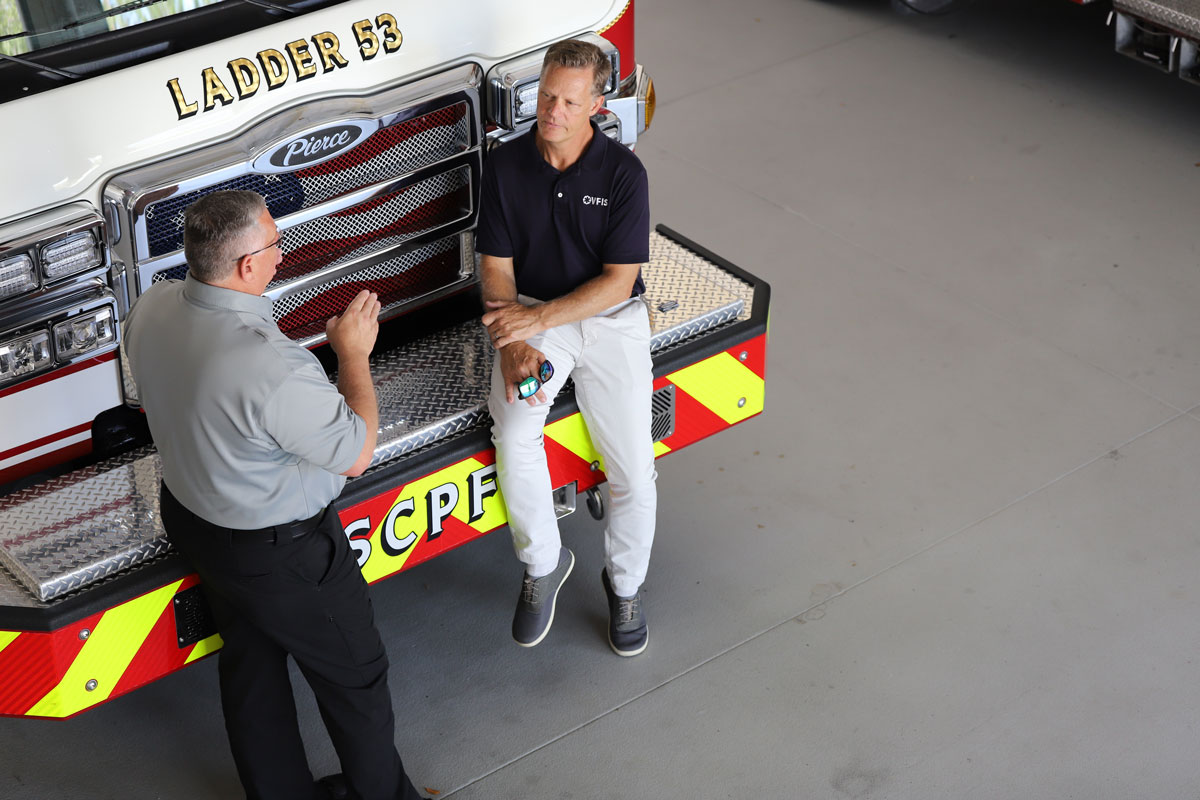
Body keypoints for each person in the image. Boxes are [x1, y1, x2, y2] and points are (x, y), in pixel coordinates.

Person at [122, 190, 423, 800]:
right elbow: (357, 449)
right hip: (283, 555)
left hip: (196, 521)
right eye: (274, 244)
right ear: (244, 267)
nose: (282, 255)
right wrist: (353, 356)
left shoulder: (151, 308)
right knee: (355, 682)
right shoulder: (273, 368)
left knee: (252, 669)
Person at [476, 39, 655, 657]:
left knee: (633, 466)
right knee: (515, 425)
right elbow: (495, 266)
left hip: (609, 319)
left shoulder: (624, 175)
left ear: (597, 104)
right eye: (546, 95)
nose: (552, 111)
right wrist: (511, 344)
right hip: (532, 315)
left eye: (569, 100)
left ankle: (624, 584)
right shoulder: (504, 166)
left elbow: (618, 282)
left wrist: (534, 321)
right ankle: (543, 564)